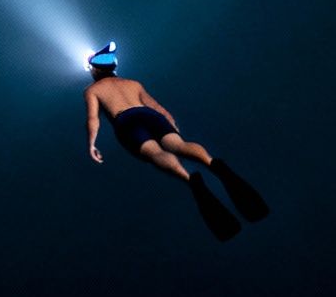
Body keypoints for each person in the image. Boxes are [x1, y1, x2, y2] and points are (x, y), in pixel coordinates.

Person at [83, 42, 268, 241]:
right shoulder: (133, 84)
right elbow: (158, 107)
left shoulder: (93, 90)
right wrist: (172, 124)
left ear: (95, 70)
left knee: (155, 152)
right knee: (178, 145)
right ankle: (212, 163)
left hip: (126, 121)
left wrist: (92, 143)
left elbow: (93, 118)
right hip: (149, 114)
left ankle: (190, 180)